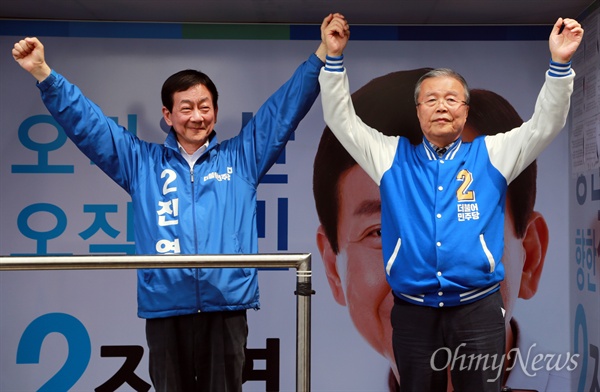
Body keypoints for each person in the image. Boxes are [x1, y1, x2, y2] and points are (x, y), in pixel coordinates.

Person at [11, 13, 347, 392]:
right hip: (166, 307)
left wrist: (323, 53)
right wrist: (45, 74)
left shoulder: (242, 158)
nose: (197, 116)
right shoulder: (141, 163)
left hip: (226, 307)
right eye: (186, 108)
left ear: (215, 112)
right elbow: (90, 126)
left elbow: (283, 111)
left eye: (205, 107)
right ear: (168, 116)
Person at [318, 16, 583, 391]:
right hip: (412, 310)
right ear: (418, 112)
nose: (442, 106)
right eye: (431, 99)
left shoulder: (493, 154)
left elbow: (546, 123)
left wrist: (559, 66)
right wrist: (334, 60)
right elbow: (340, 119)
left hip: (478, 308)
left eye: (452, 99)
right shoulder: (389, 156)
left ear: (465, 110)